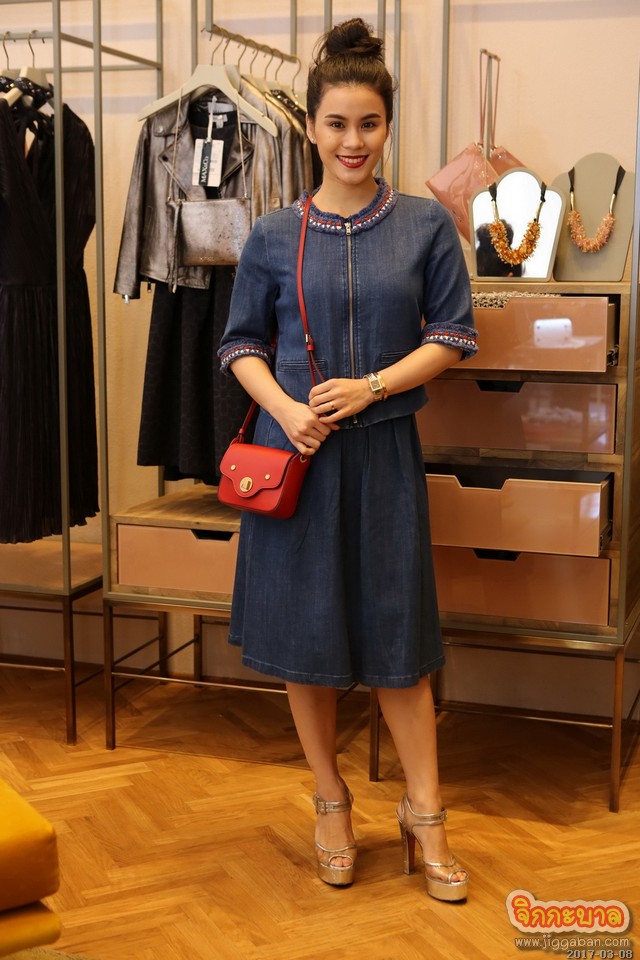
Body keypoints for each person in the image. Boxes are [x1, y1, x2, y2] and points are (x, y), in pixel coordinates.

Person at [218, 17, 478, 901]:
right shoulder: (271, 232)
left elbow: (453, 335)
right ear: (310, 126)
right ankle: (330, 799)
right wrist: (288, 410)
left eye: (369, 123)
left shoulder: (424, 227)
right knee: (308, 642)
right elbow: (238, 345)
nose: (353, 140)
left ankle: (425, 809)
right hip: (296, 462)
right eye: (336, 123)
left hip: (385, 459)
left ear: (388, 125)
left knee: (400, 644)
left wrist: (371, 387)